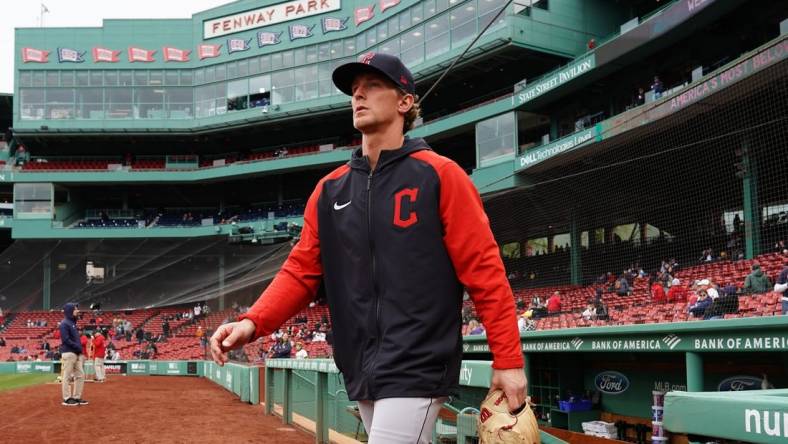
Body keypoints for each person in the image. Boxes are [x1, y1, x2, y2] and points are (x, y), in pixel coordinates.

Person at [211, 52, 526, 444]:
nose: (358, 95)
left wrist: (509, 360)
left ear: (405, 102)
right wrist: (252, 321)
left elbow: (485, 272)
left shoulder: (441, 175)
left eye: (373, 86)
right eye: (354, 90)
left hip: (419, 360)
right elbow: (301, 271)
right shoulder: (329, 190)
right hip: (359, 363)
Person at [60, 303, 88, 406]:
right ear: (70, 311)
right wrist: (78, 347)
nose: (77, 311)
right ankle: (67, 398)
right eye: (75, 309)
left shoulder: (72, 323)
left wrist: (78, 350)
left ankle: (77, 397)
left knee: (80, 375)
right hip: (68, 352)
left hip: (76, 353)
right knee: (67, 376)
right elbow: (65, 340)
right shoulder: (64, 323)